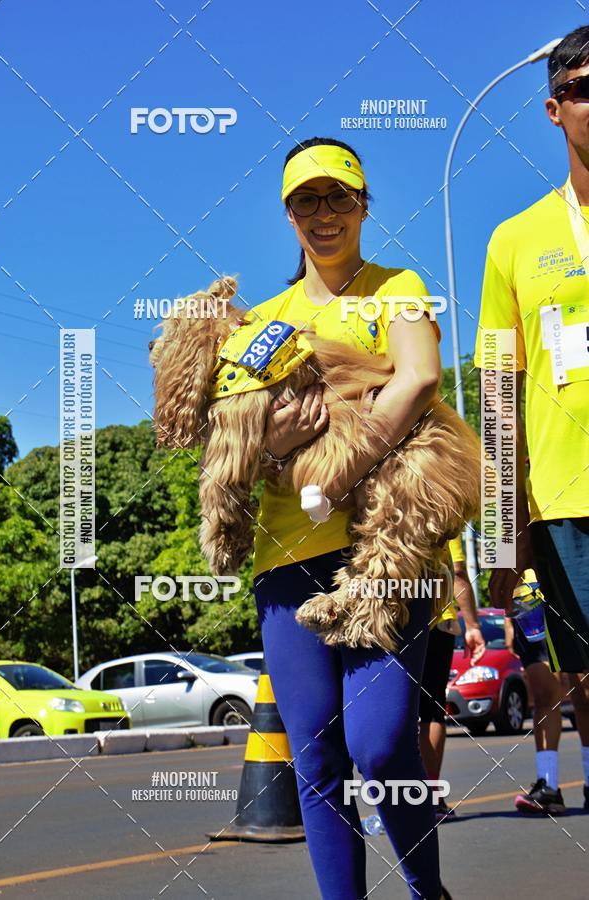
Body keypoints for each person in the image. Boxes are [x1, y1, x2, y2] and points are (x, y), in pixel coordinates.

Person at [248, 137, 453, 899]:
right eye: (307, 199)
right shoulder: (265, 321)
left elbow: (421, 376)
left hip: (384, 553)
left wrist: (332, 466)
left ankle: (429, 892)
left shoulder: (398, 286)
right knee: (317, 757)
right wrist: (278, 436)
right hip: (285, 561)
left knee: (377, 744)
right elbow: (247, 434)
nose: (324, 214)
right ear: (288, 213)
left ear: (364, 205)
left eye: (339, 197)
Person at [474, 29, 589, 742]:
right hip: (565, 498)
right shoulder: (514, 240)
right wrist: (500, 532)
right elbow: (494, 392)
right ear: (554, 110)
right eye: (582, 89)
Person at [419, 533, 486, 822]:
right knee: (432, 709)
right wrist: (472, 625)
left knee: (399, 708)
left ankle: (401, 798)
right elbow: (458, 572)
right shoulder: (446, 510)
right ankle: (431, 796)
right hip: (439, 619)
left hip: (395, 615)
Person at [504, 600, 589, 815]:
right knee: (544, 694)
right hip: (528, 603)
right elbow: (501, 565)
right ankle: (548, 786)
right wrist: (507, 616)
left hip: (570, 593)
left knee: (585, 695)